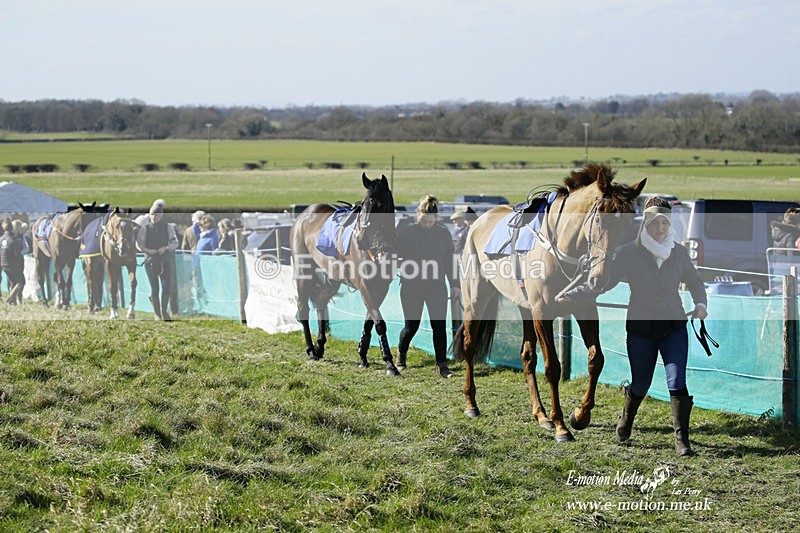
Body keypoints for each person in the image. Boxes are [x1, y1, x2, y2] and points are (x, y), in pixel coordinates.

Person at [557, 197, 708, 457]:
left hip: (674, 327)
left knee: (677, 382)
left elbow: (695, 281)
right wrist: (575, 294)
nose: (659, 228)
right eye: (654, 223)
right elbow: (603, 283)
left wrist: (701, 303)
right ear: (645, 224)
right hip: (641, 331)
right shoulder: (628, 253)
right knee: (640, 385)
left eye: (664, 223)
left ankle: (682, 440)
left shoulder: (679, 252)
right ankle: (627, 419)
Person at [395, 195, 460, 378]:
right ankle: (401, 356)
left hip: (436, 287)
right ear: (418, 216)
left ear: (436, 219)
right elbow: (396, 255)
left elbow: (450, 262)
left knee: (439, 326)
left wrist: (455, 285)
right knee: (411, 326)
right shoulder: (408, 233)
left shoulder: (443, 234)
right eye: (424, 221)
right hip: (411, 287)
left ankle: (442, 365)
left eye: (430, 222)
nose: (427, 225)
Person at [136, 199, 179, 320]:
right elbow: (139, 244)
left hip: (164, 260)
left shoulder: (168, 227)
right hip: (150, 261)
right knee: (154, 288)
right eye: (151, 214)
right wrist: (147, 250)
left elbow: (175, 242)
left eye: (156, 214)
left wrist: (166, 248)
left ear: (161, 215)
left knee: (166, 287)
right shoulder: (145, 228)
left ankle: (164, 311)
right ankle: (157, 313)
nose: (154, 217)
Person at [0, 219, 24, 303]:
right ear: (12, 228)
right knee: (21, 281)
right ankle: (9, 299)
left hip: (2, 264)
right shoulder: (13, 239)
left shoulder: (1, 239)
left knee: (13, 282)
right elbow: (18, 255)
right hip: (11, 264)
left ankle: (13, 301)